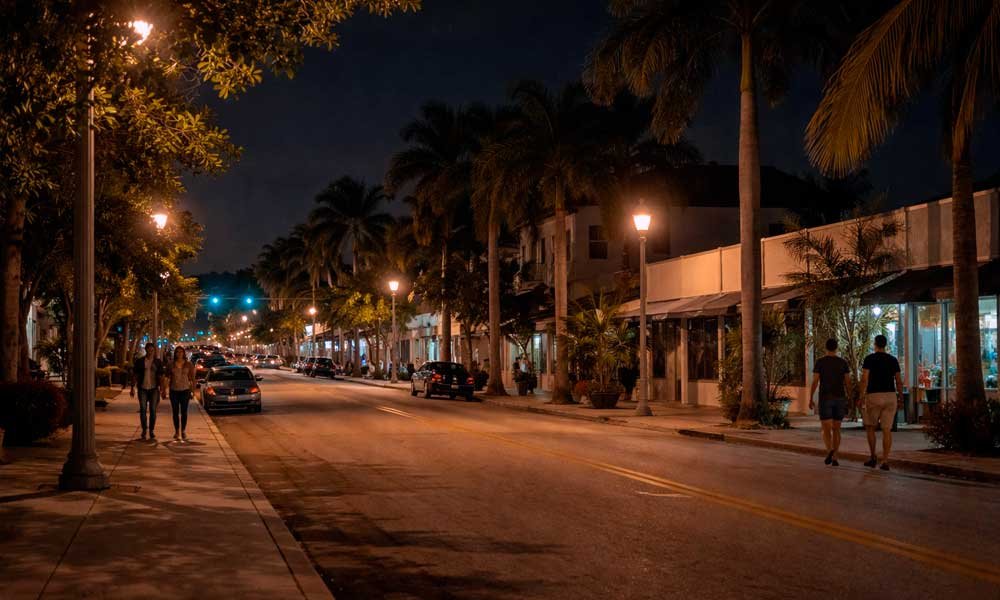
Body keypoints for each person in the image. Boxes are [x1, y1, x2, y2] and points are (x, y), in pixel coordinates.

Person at [859, 335, 904, 470]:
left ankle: (873, 457)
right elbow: (898, 381)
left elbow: (865, 379)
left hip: (874, 396)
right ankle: (885, 460)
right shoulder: (893, 360)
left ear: (875, 344)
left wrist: (861, 396)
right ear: (886, 345)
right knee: (886, 430)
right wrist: (900, 397)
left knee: (870, 427)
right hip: (890, 396)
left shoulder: (869, 359)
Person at [809, 338, 851, 466]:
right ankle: (835, 457)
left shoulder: (820, 362)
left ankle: (829, 451)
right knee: (837, 429)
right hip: (839, 398)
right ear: (836, 348)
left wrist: (810, 398)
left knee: (826, 429)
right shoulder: (843, 363)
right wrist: (850, 398)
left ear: (826, 348)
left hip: (825, 398)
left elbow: (815, 381)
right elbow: (848, 382)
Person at [129, 342, 164, 440]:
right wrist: (132, 388)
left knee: (153, 410)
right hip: (142, 388)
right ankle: (144, 430)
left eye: (152, 350)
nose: (150, 351)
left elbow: (161, 376)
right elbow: (135, 375)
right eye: (148, 349)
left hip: (154, 389)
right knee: (143, 410)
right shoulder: (140, 361)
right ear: (146, 350)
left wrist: (162, 389)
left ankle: (151, 430)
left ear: (154, 351)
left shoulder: (157, 362)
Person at [165, 346, 197, 441]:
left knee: (184, 412)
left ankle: (183, 430)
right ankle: (176, 431)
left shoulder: (188, 364)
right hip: (174, 391)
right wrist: (163, 389)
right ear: (175, 353)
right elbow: (167, 377)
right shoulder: (171, 364)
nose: (179, 354)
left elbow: (192, 379)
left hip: (185, 391)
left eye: (181, 352)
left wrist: (193, 391)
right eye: (177, 352)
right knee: (175, 412)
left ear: (184, 353)